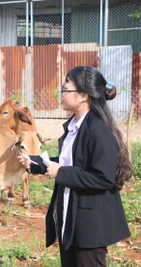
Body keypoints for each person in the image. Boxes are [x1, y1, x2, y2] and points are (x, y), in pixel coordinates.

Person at [18, 66, 132, 267]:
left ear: (82, 96)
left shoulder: (99, 130)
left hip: (90, 225)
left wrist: (60, 172)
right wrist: (36, 163)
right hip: (70, 218)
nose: (61, 94)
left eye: (65, 89)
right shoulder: (74, 126)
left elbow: (103, 178)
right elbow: (71, 161)